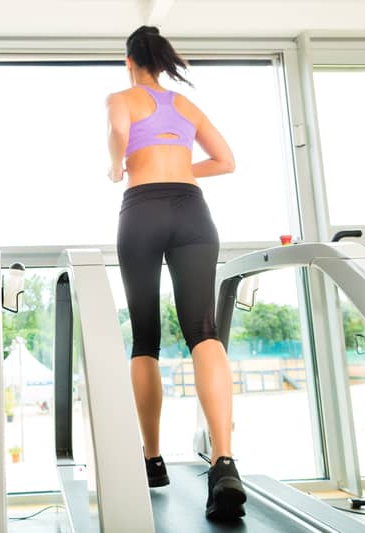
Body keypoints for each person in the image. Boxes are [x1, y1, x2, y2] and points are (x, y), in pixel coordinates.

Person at [105, 26, 245, 521]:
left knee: (146, 338)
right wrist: (182, 166)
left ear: (129, 61)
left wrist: (115, 165)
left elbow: (120, 132)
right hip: (192, 212)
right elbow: (226, 160)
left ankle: (152, 460)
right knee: (203, 333)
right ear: (163, 61)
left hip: (142, 210)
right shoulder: (186, 107)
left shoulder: (121, 96)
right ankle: (224, 462)